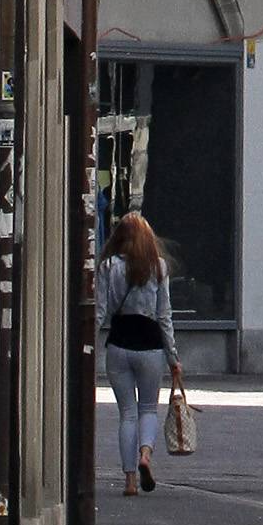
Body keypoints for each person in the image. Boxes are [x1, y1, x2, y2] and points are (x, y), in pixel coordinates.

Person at [98, 211, 182, 498]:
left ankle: (130, 480)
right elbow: (164, 315)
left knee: (127, 414)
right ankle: (145, 455)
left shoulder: (108, 266)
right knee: (148, 408)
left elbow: (100, 310)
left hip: (119, 341)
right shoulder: (158, 267)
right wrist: (173, 358)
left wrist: (86, 346)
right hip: (150, 343)